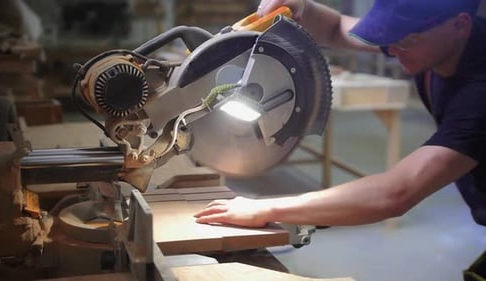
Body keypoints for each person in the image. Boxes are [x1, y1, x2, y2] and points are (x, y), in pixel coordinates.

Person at [194, 0, 486, 279]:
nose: (393, 50)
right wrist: (304, 8)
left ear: (460, 24)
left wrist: (265, 208)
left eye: (405, 40)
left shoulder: (478, 95)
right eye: (388, 36)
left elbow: (396, 192)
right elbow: (335, 29)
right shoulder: (427, 38)